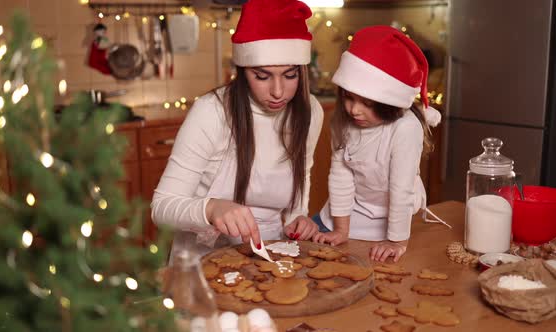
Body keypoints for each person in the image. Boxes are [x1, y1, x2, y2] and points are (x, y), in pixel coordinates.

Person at [151, 0, 324, 258]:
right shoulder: (212, 112)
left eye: (290, 75)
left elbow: (298, 193)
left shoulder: (310, 111)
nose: (278, 92)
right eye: (262, 76)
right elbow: (161, 209)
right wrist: (211, 210)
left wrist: (298, 219)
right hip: (203, 259)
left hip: (272, 254)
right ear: (243, 71)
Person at [312, 26, 441, 262]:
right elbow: (341, 177)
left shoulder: (405, 128)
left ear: (391, 103)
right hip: (350, 212)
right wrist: (341, 230)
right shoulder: (344, 120)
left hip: (392, 217)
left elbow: (401, 190)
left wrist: (396, 241)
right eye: (349, 97)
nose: (354, 110)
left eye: (368, 103)